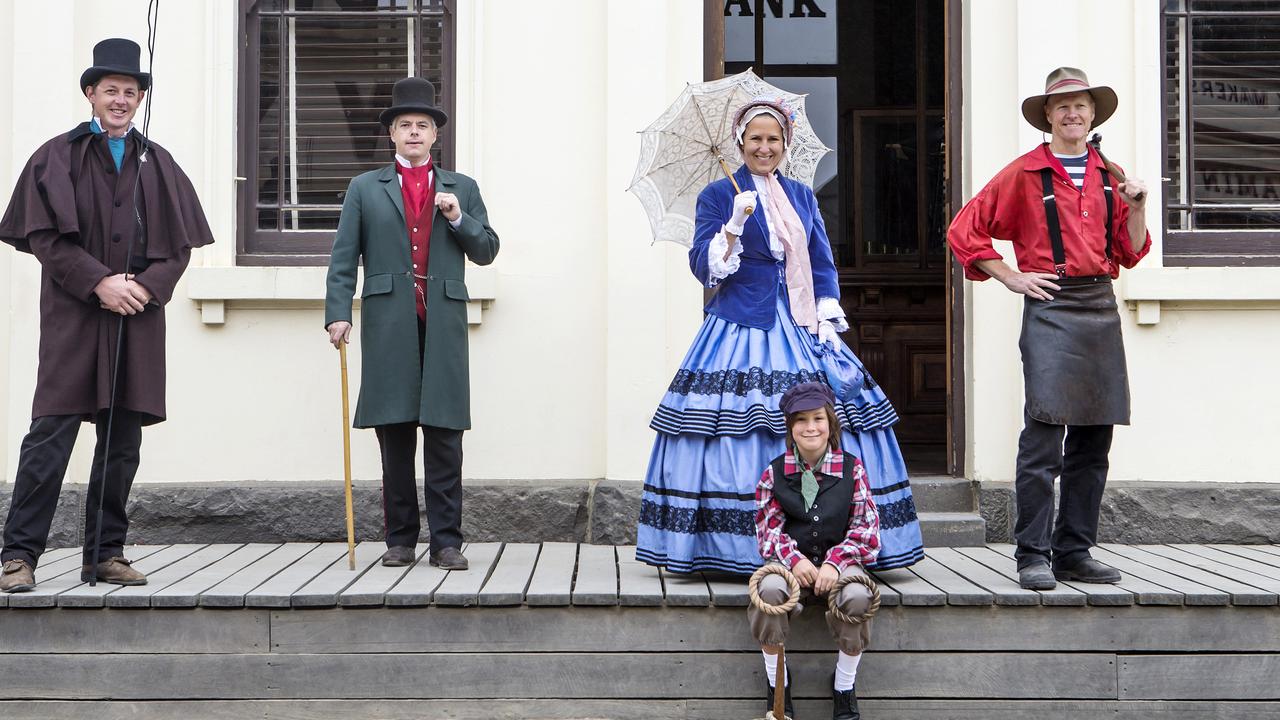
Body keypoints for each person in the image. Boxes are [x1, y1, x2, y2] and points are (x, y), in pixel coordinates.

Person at [635, 97, 923, 575]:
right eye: (755, 139)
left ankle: (831, 537)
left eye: (773, 140)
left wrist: (828, 323)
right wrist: (733, 225)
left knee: (831, 416)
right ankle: (737, 547)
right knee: (741, 426)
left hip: (802, 322)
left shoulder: (803, 196)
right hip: (740, 322)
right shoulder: (717, 195)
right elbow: (704, 270)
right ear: (740, 144)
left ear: (785, 144)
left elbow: (822, 263)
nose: (764, 148)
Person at [0, 38, 214, 592]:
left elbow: (179, 248)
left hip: (137, 318)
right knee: (50, 435)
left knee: (122, 441)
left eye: (130, 91)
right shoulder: (56, 156)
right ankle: (18, 555)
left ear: (140, 98)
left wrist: (142, 289)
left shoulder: (158, 162)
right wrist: (98, 282)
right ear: (91, 95)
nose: (120, 99)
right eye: (110, 90)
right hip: (74, 319)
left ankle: (105, 553)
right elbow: (43, 236)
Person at [947, 67, 1150, 590]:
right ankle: (1031, 554)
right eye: (1061, 106)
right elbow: (964, 230)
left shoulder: (1111, 173)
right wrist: (1011, 276)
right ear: (1048, 117)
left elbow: (1129, 250)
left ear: (1092, 113)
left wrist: (1138, 208)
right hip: (1053, 306)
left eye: (1080, 105)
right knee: (1043, 437)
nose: (1072, 113)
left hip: (1099, 306)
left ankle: (1074, 551)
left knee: (1093, 439)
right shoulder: (1024, 174)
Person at [324, 77, 498, 571]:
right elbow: (343, 258)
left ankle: (447, 541)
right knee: (394, 433)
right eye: (406, 125)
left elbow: (486, 250)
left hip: (442, 322)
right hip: (388, 322)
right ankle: (400, 538)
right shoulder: (365, 188)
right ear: (392, 134)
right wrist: (337, 312)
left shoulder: (461, 187)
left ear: (435, 135)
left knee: (444, 435)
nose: (415, 133)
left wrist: (460, 218)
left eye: (423, 125)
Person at [749, 381, 878, 720]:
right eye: (801, 420)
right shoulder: (774, 474)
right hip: (791, 564)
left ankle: (844, 686)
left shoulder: (853, 469)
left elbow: (867, 529)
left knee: (858, 596)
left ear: (830, 423)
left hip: (841, 562)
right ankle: (779, 683)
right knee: (770, 591)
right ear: (790, 428)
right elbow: (767, 531)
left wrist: (835, 562)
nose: (811, 427)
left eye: (818, 418)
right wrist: (795, 560)